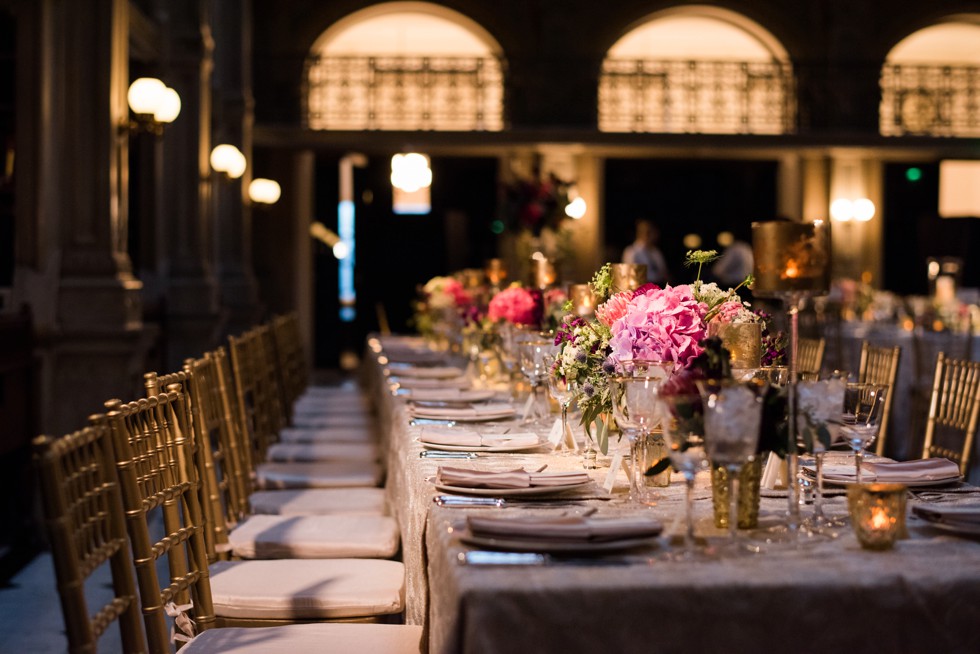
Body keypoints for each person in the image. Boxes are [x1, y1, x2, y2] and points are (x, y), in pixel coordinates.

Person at [622, 219, 668, 285]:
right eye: (646, 232)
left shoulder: (656, 252)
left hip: (657, 285)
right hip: (639, 286)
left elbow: (663, 272)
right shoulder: (631, 251)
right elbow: (628, 274)